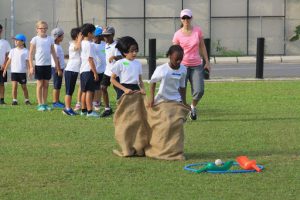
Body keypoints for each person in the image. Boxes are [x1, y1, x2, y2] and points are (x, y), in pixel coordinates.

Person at [110, 36, 146, 157]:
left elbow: (140, 80)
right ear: (125, 52)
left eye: (136, 50)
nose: (134, 53)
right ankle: (126, 147)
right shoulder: (120, 63)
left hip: (136, 92)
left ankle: (138, 147)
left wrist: (142, 89)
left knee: (138, 120)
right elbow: (113, 80)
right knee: (126, 120)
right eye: (132, 51)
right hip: (124, 92)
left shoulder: (138, 64)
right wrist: (124, 89)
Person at [172, 8, 211, 120]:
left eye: (188, 17)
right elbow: (175, 51)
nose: (186, 20)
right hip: (182, 66)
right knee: (179, 91)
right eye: (183, 17)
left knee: (199, 91)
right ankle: (183, 110)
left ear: (191, 18)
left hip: (196, 65)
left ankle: (193, 106)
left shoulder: (197, 31)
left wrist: (207, 61)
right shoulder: (177, 35)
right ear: (181, 19)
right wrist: (174, 65)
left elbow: (202, 46)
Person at [29, 20, 61, 111]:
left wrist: (57, 66)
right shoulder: (34, 39)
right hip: (39, 65)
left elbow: (53, 53)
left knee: (46, 84)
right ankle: (40, 104)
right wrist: (31, 66)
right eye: (41, 28)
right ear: (37, 29)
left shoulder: (50, 39)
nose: (43, 30)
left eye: (45, 28)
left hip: (48, 65)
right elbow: (30, 54)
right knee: (39, 84)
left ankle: (44, 103)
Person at [2, 34, 31, 105]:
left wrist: (29, 70)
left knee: (24, 87)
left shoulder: (26, 51)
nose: (15, 41)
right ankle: (14, 100)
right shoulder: (12, 50)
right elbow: (9, 61)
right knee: (14, 86)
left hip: (22, 72)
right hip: (14, 72)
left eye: (17, 40)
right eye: (15, 40)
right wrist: (5, 69)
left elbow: (27, 62)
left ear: (23, 42)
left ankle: (27, 100)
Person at [100, 26, 122, 117]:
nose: (105, 38)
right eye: (104, 36)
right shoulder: (106, 45)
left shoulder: (116, 45)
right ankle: (107, 108)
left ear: (112, 35)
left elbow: (121, 57)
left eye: (107, 36)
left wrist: (114, 57)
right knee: (103, 87)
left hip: (116, 72)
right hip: (107, 71)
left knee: (119, 92)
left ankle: (122, 109)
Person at [79, 23, 99, 117]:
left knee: (84, 91)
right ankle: (90, 111)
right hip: (88, 70)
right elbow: (90, 59)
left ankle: (83, 110)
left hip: (83, 70)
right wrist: (95, 73)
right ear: (89, 33)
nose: (94, 34)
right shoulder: (89, 45)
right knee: (89, 91)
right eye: (94, 32)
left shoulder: (82, 43)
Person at [62, 27, 82, 116]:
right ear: (76, 36)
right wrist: (80, 39)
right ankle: (67, 109)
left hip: (74, 71)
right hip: (70, 70)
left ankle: (68, 108)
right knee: (69, 91)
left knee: (71, 90)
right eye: (80, 34)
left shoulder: (78, 43)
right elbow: (77, 48)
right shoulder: (72, 44)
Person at [51, 27, 65, 108]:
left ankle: (57, 100)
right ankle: (55, 102)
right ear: (57, 37)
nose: (63, 38)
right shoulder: (56, 47)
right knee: (56, 85)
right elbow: (57, 59)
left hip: (59, 68)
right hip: (57, 68)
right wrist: (59, 69)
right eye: (62, 36)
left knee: (59, 84)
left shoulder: (57, 46)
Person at [92, 26, 106, 111]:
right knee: (95, 87)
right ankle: (94, 102)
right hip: (95, 70)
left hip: (103, 70)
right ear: (97, 36)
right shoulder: (92, 45)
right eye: (102, 35)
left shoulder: (104, 44)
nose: (104, 37)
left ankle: (98, 101)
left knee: (101, 87)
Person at [0, 24, 11, 105]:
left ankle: (1, 100)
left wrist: (4, 65)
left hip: (2, 66)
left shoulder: (5, 42)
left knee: (1, 84)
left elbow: (8, 54)